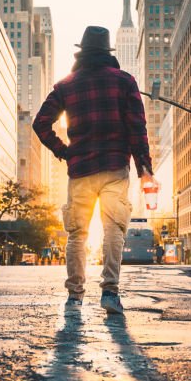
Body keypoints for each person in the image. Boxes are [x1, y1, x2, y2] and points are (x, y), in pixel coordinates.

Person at [33, 26, 152, 316]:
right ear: (107, 52)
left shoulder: (66, 85)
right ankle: (110, 293)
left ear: (82, 52)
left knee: (78, 234)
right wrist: (145, 170)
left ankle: (75, 297)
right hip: (114, 168)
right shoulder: (124, 81)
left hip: (81, 169)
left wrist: (64, 151)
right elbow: (137, 128)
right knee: (114, 229)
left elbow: (41, 123)